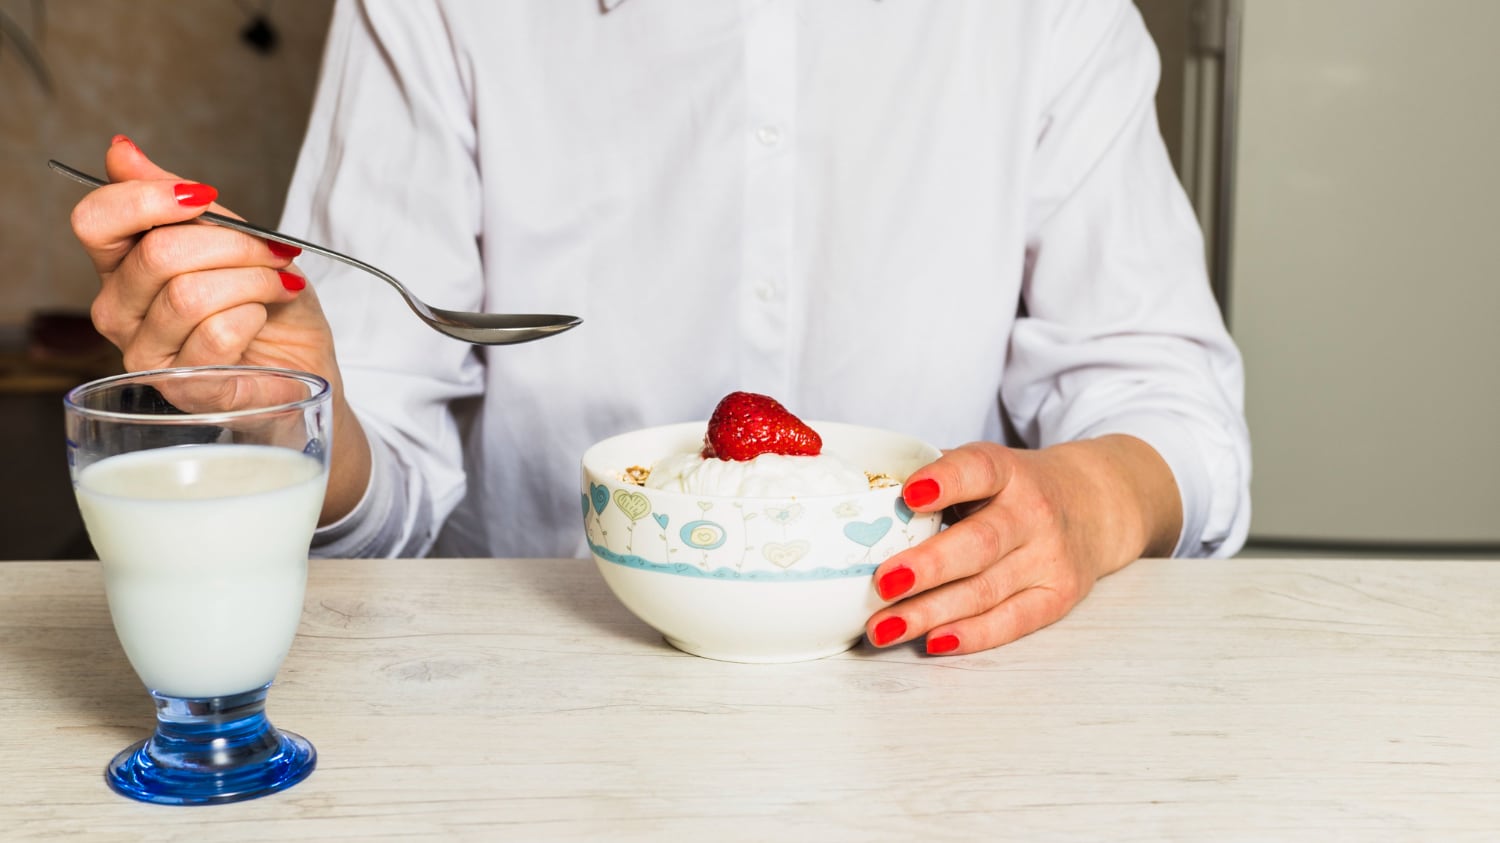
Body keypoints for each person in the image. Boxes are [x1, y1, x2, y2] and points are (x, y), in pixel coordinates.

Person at [67, 0, 1250, 657]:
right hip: (540, 699)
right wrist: (292, 416)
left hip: (947, 702)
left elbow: (1166, 408)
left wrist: (1080, 507)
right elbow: (384, 481)